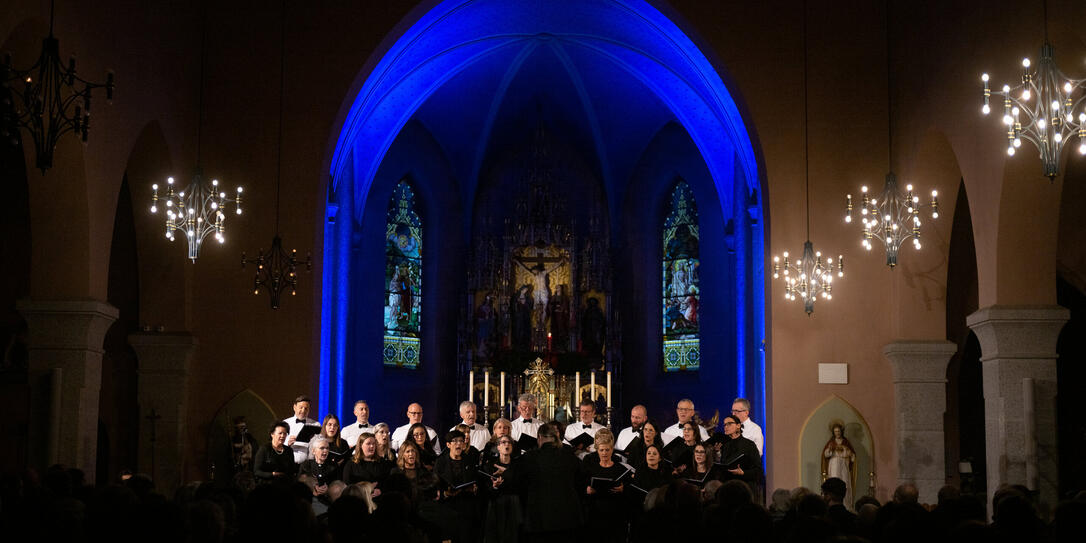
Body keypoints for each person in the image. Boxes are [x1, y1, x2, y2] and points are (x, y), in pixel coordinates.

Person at [516, 421, 583, 542]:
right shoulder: (568, 454)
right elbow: (581, 479)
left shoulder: (530, 457)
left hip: (539, 518)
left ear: (540, 437)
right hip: (567, 517)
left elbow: (519, 483)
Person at [581, 429, 629, 543]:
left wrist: (623, 488)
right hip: (595, 514)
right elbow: (582, 485)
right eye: (601, 450)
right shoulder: (592, 469)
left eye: (607, 450)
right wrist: (587, 490)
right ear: (597, 450)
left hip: (615, 515)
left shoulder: (620, 468)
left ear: (612, 450)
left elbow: (628, 488)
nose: (604, 453)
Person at [433, 430, 480, 540]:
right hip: (447, 506)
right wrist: (444, 493)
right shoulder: (440, 462)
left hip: (466, 506)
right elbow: (435, 483)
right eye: (455, 441)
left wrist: (474, 488)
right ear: (448, 445)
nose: (459, 444)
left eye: (461, 441)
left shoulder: (470, 460)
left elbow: (476, 479)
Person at [480, 434, 522, 543]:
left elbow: (520, 485)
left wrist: (507, 473)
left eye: (509, 442)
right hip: (496, 503)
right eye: (503, 442)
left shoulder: (518, 465)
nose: (506, 444)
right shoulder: (490, 465)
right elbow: (485, 489)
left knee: (512, 535)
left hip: (513, 503)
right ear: (498, 447)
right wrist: (494, 487)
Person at [718, 415, 762, 488]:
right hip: (728, 486)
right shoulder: (725, 446)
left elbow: (758, 470)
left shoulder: (749, 445)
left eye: (729, 424)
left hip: (744, 486)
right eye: (725, 424)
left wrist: (743, 473)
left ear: (738, 425)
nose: (726, 427)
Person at [821, 423, 856, 508]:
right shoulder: (831, 442)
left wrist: (846, 450)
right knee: (834, 481)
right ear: (833, 432)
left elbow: (852, 456)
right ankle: (833, 504)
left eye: (839, 431)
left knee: (845, 482)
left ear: (841, 431)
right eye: (836, 431)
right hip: (834, 464)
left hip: (844, 464)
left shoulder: (846, 442)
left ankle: (846, 506)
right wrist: (831, 449)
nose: (837, 433)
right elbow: (826, 455)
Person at [284, 395, 320, 464]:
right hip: (288, 463)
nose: (303, 411)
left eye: (306, 408)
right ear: (294, 407)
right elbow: (278, 443)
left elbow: (318, 445)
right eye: (301, 407)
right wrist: (287, 444)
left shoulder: (315, 424)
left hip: (307, 465)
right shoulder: (285, 423)